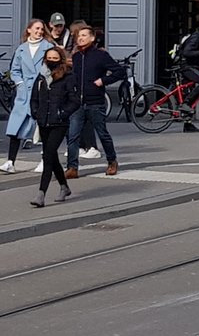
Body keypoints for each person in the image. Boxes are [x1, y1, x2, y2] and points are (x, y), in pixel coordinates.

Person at [65, 25, 122, 179]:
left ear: (92, 38)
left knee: (102, 134)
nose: (80, 38)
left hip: (95, 102)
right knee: (73, 136)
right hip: (78, 103)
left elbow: (119, 71)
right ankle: (72, 167)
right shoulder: (76, 57)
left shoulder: (100, 55)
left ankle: (112, 161)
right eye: (79, 36)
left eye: (84, 35)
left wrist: (103, 80)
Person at [29, 46, 78, 206]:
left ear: (61, 60)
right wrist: (35, 112)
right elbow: (34, 98)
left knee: (48, 155)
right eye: (49, 58)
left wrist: (62, 113)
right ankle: (64, 186)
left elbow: (75, 101)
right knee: (52, 156)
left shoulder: (68, 77)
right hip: (43, 121)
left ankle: (41, 194)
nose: (51, 61)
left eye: (55, 58)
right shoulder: (41, 77)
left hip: (59, 123)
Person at [3, 19, 53, 173]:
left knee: (42, 128)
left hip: (41, 91)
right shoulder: (21, 49)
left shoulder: (48, 47)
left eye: (41, 29)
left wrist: (44, 82)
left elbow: (52, 67)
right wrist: (19, 83)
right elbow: (15, 70)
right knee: (16, 127)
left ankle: (45, 161)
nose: (39, 31)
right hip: (24, 93)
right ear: (29, 30)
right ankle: (10, 162)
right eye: (36, 28)